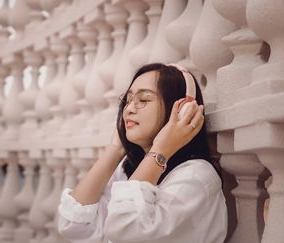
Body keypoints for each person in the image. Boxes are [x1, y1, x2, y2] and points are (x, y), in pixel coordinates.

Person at [58, 63, 227, 243]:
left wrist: (161, 149)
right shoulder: (128, 171)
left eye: (144, 100)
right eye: (128, 100)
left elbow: (124, 230)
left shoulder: (196, 176)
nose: (129, 109)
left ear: (182, 110)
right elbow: (73, 227)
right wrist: (115, 149)